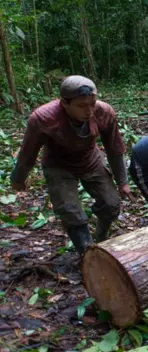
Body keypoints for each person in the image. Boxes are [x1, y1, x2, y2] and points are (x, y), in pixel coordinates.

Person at [10, 76, 132, 254]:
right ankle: (87, 253)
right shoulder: (43, 119)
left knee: (111, 204)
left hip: (90, 159)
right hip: (58, 165)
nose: (89, 111)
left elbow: (114, 148)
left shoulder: (104, 112)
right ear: (64, 104)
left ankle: (101, 236)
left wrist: (123, 181)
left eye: (92, 103)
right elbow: (27, 153)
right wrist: (18, 179)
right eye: (81, 106)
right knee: (70, 211)